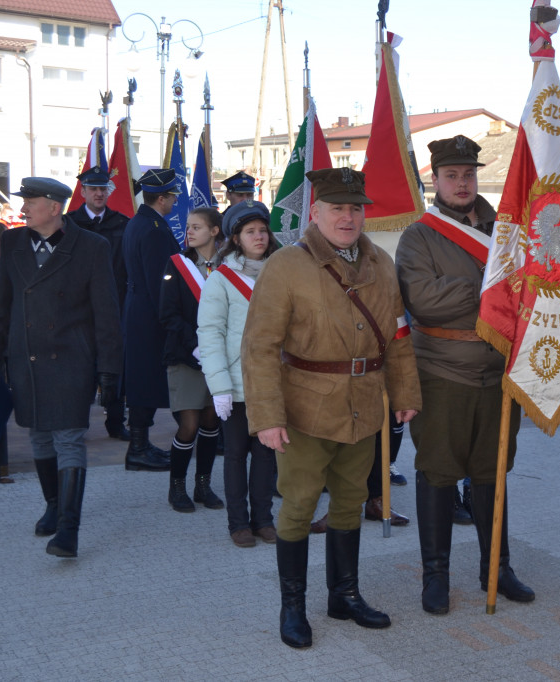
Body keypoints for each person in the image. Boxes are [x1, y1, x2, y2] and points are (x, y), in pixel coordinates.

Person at [241, 167, 421, 649]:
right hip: (304, 408)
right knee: (298, 506)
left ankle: (344, 595)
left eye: (355, 208)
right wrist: (267, 417)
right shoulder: (287, 266)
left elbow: (399, 336)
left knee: (348, 503)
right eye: (337, 208)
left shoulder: (382, 263)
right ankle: (292, 608)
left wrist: (404, 394)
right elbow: (259, 347)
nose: (347, 217)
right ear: (315, 212)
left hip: (364, 404)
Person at [395, 134, 534, 616]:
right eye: (451, 175)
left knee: (491, 475)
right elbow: (422, 299)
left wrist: (478, 289)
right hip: (441, 370)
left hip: (499, 374)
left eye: (468, 174)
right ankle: (436, 575)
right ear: (435, 180)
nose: (461, 182)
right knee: (437, 474)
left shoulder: (508, 231)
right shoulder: (419, 235)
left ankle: (497, 568)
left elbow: (532, 292)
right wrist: (490, 284)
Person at [0, 177, 122, 558]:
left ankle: (69, 530)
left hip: (71, 358)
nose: (23, 208)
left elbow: (106, 312)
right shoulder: (12, 242)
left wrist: (109, 369)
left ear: (54, 207)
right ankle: (54, 507)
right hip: (25, 355)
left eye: (30, 201)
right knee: (40, 435)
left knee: (69, 439)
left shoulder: (92, 246)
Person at [199, 200, 280, 547]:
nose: (259, 237)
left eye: (263, 230)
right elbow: (210, 334)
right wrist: (219, 388)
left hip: (272, 382)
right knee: (235, 455)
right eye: (251, 232)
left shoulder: (282, 271)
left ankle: (263, 519)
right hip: (234, 383)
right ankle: (238, 523)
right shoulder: (221, 279)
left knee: (267, 454)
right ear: (236, 237)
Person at [159, 207, 225, 513]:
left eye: (197, 226)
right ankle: (177, 486)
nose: (189, 232)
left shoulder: (229, 265)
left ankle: (203, 484)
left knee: (211, 420)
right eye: (188, 227)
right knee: (189, 423)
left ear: (214, 231)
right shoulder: (178, 264)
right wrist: (197, 344)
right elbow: (167, 315)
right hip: (187, 356)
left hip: (221, 357)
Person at [122, 168, 182, 471]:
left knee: (141, 378)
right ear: (161, 198)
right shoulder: (155, 229)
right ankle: (138, 448)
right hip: (150, 313)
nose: (174, 201)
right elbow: (162, 280)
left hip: (138, 309)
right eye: (172, 196)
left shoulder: (140, 222)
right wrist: (171, 318)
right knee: (144, 380)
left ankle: (141, 444)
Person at [66, 163, 132, 440]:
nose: (98, 193)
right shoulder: (69, 224)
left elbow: (128, 265)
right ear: (83, 191)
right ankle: (76, 423)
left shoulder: (121, 223)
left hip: (114, 304)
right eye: (93, 189)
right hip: (79, 308)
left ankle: (116, 423)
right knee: (79, 369)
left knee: (114, 365)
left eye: (103, 188)